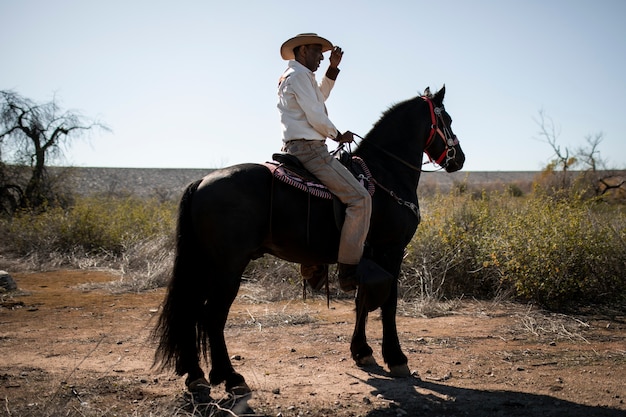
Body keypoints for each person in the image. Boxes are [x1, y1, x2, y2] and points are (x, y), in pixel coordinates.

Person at [277, 33, 372, 291]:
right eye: (319, 52)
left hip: (295, 148)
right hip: (311, 151)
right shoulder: (298, 77)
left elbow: (319, 98)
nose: (322, 57)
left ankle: (313, 260)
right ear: (304, 49)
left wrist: (333, 69)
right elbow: (316, 114)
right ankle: (349, 271)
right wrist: (337, 134)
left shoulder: (295, 76)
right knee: (360, 199)